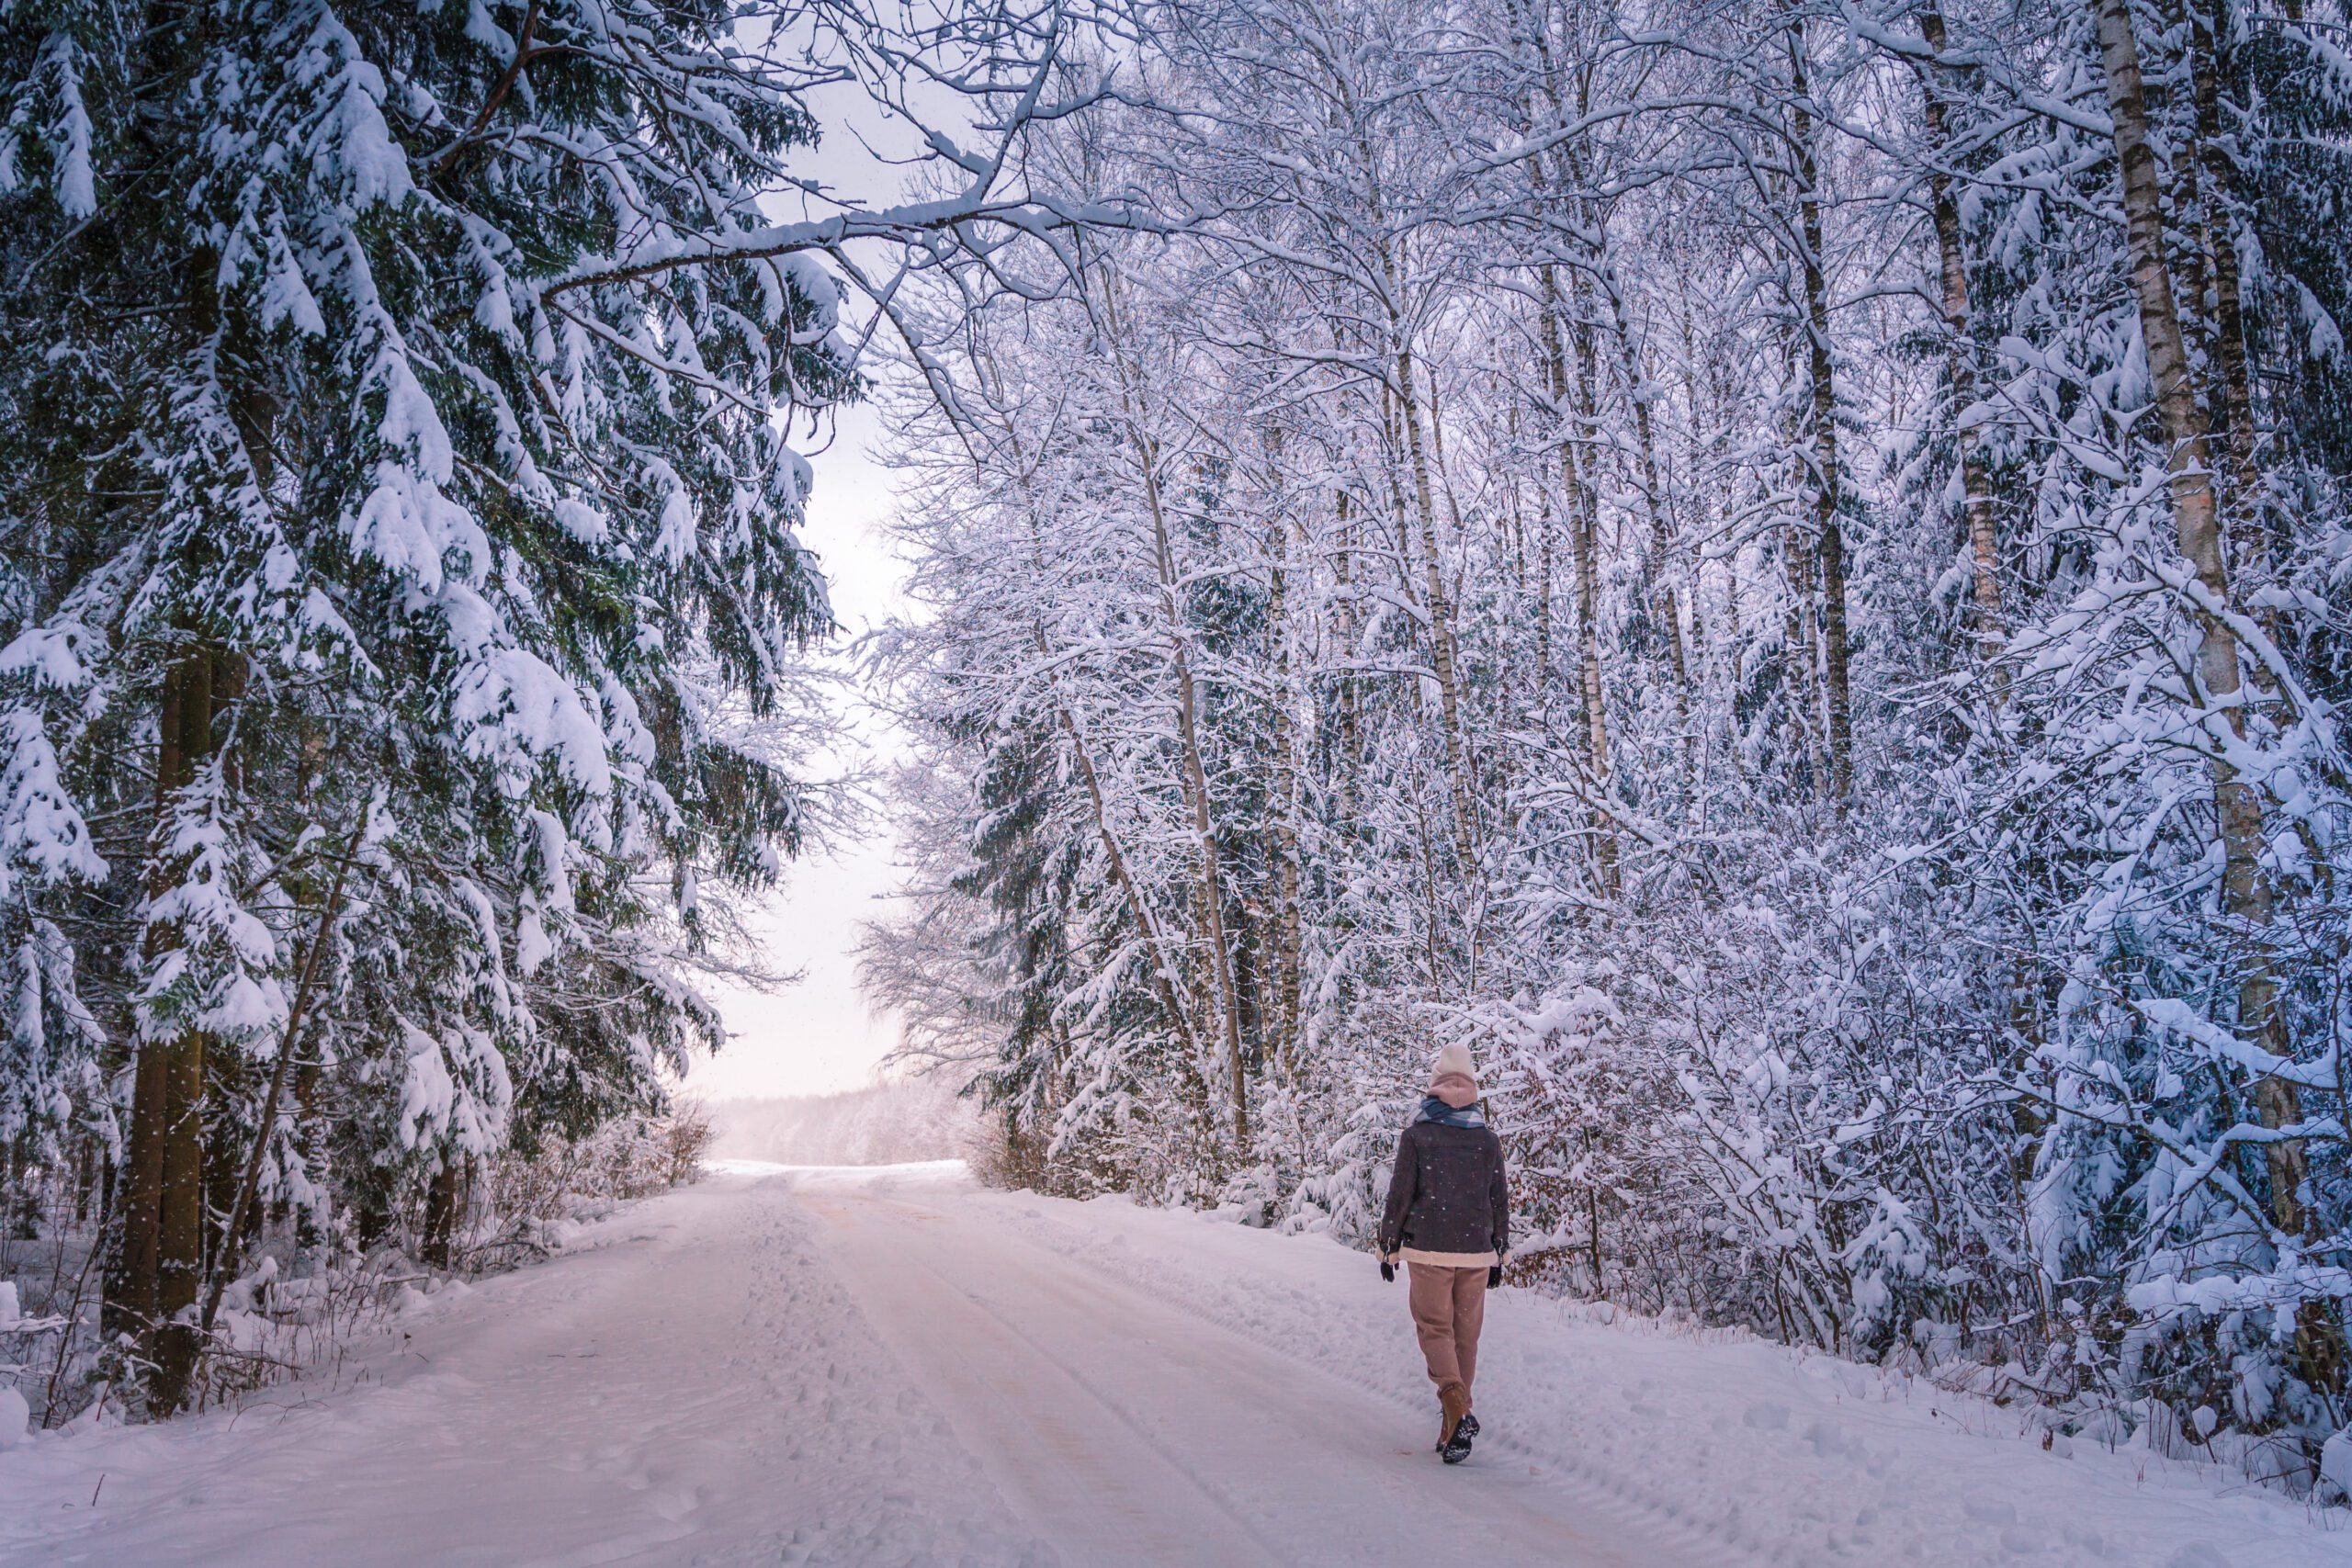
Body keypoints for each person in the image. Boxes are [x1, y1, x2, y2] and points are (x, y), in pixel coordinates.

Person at [1376, 1042, 1509, 1465]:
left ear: (1435, 1087)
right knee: (1466, 1336)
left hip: (1430, 1246)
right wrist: (1499, 1251)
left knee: (1435, 1329)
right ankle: (1454, 1423)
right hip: (1475, 1247)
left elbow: (1401, 1194)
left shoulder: (1417, 1135)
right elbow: (1498, 1199)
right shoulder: (1487, 1140)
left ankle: (1455, 1405)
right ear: (1471, 1088)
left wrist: (1388, 1246)